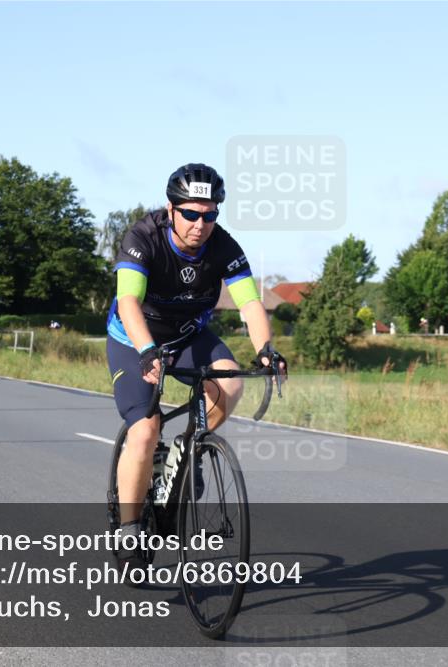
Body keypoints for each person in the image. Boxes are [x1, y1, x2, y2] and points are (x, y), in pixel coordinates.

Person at [106, 163, 287, 576]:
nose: (200, 224)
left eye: (209, 215)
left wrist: (266, 350)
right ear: (171, 210)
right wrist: (147, 349)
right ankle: (130, 529)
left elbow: (250, 303)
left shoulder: (223, 246)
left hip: (188, 336)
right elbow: (129, 302)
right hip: (134, 339)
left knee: (231, 382)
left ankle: (188, 449)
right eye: (191, 214)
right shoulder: (143, 237)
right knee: (146, 430)